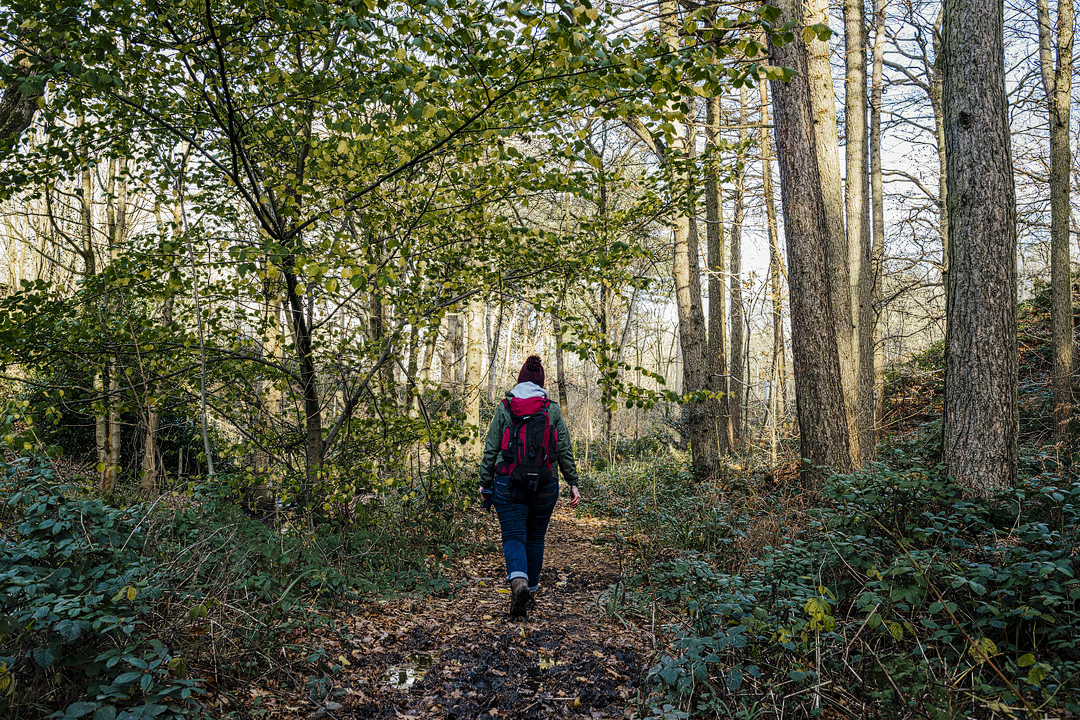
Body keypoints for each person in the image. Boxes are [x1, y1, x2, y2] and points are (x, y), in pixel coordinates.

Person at [479, 354, 581, 618]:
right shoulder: (551, 409)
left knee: (514, 537)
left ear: (520, 380)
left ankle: (519, 583)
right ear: (541, 383)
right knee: (535, 538)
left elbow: (491, 449)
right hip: (545, 485)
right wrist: (573, 483)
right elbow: (565, 450)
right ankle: (531, 591)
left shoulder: (506, 406)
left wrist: (485, 485)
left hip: (507, 483)